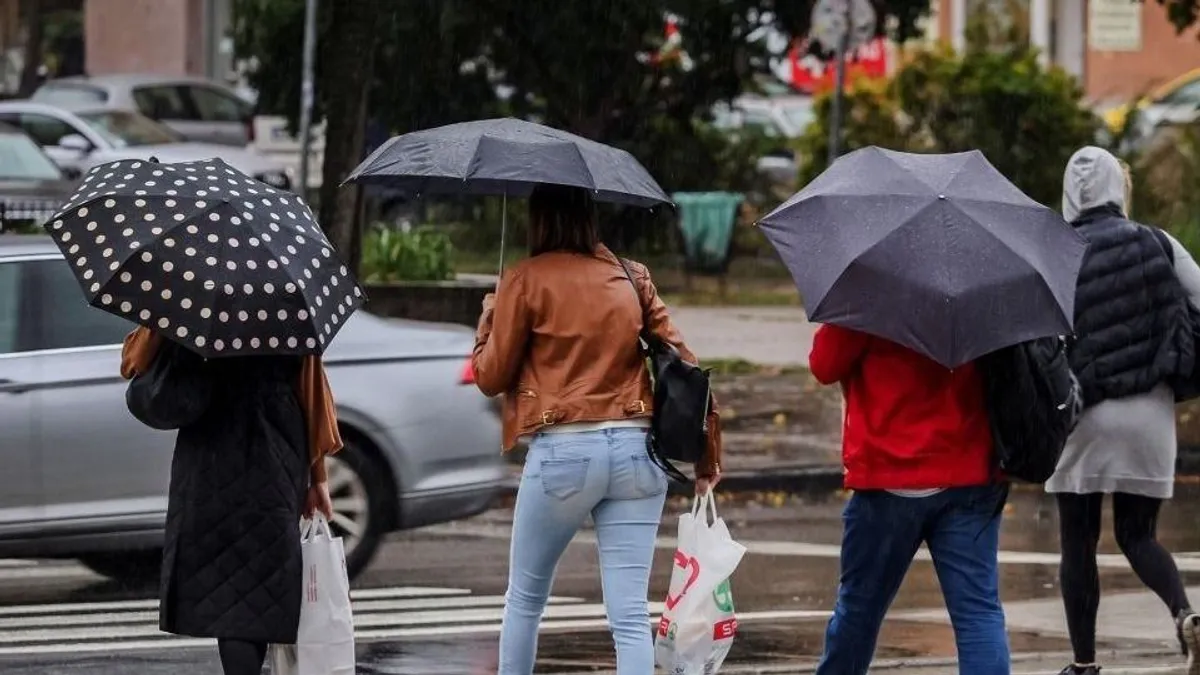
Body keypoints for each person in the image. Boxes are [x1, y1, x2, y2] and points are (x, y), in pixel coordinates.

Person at [471, 184, 722, 675]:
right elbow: (686, 365)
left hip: (564, 451)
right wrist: (707, 456)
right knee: (629, 615)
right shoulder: (631, 276)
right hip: (636, 452)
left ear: (538, 218)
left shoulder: (523, 279)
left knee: (524, 598)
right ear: (589, 216)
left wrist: (488, 319)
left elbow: (490, 377)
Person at [1048, 146, 1200, 675]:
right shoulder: (1158, 242)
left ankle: (1084, 664)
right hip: (1149, 413)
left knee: (1078, 541)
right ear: (1119, 188)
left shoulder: (1055, 251)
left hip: (1083, 414)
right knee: (1139, 536)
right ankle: (1185, 614)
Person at [120, 327, 342, 675]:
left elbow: (133, 362)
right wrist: (319, 477)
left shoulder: (192, 303)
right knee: (258, 592)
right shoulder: (285, 305)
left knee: (230, 595)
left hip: (210, 455)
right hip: (276, 452)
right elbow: (312, 393)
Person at [809, 326, 1010, 675]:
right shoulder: (979, 286)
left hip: (887, 474)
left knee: (859, 610)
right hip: (968, 470)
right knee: (978, 613)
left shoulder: (869, 289)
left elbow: (824, 365)